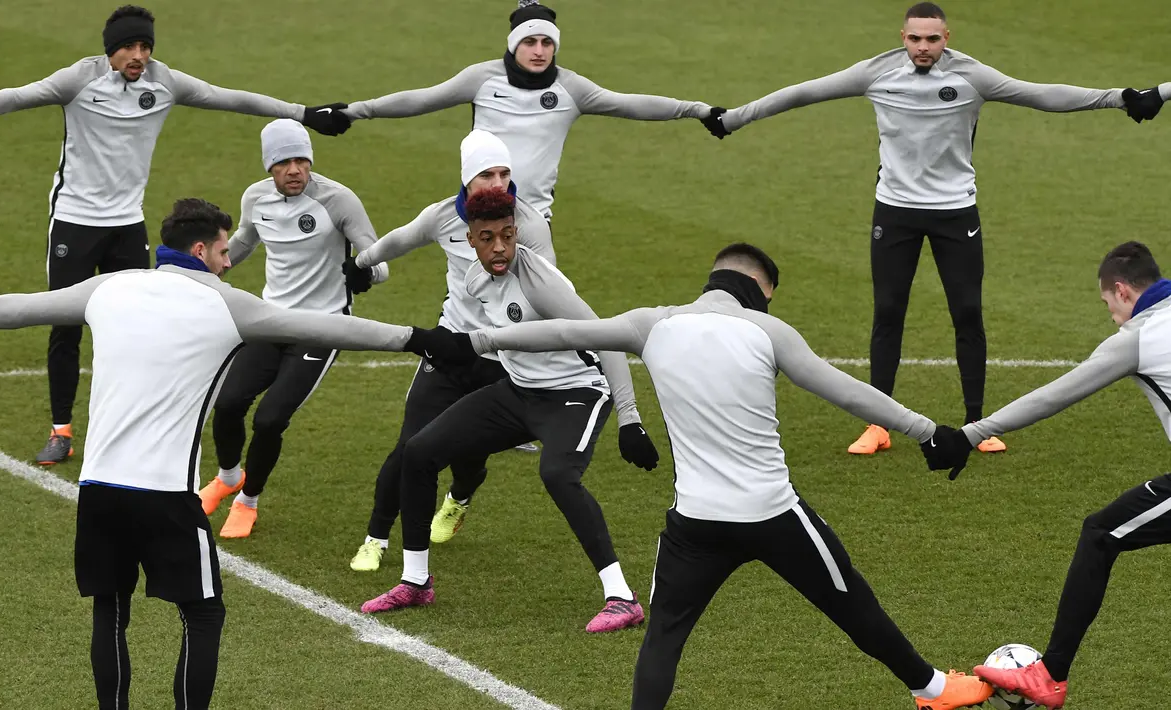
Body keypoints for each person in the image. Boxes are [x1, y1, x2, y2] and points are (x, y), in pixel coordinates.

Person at [0, 198, 466, 710]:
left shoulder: (110, 287)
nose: (228, 261)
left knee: (110, 612)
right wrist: (417, 338)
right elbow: (326, 326)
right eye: (221, 251)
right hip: (166, 498)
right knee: (203, 614)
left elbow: (17, 307)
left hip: (98, 489)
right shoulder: (226, 304)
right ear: (198, 250)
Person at [453, 242, 993, 708]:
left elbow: (564, 330)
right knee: (852, 601)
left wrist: (478, 341)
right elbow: (845, 390)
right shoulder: (768, 329)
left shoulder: (651, 324)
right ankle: (931, 689)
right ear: (761, 288)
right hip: (773, 514)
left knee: (663, 636)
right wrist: (928, 432)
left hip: (695, 526)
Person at [709, 1, 1169, 457]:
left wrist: (1116, 96)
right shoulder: (875, 73)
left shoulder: (972, 76)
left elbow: (1040, 95)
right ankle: (879, 423)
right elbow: (802, 92)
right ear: (902, 38)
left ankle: (977, 423)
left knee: (967, 312)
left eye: (932, 39)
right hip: (895, 212)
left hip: (955, 213)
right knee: (888, 312)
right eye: (914, 39)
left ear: (947, 38)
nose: (922, 47)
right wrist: (735, 117)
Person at [0, 5, 351, 467]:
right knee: (65, 323)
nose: (138, 55)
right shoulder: (79, 79)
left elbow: (231, 97)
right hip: (74, 221)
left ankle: (136, 420)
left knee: (140, 321)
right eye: (129, 47)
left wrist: (304, 115)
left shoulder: (165, 82)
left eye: (145, 46)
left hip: (126, 224)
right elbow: (19, 95)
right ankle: (61, 431)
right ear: (110, 49)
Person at [360, 187, 661, 634]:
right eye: (487, 238)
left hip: (574, 393)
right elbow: (498, 341)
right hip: (520, 391)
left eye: (506, 235)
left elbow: (609, 338)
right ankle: (416, 580)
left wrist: (630, 417)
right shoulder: (475, 281)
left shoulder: (540, 281)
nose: (499, 247)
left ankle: (621, 597)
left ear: (516, 232)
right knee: (419, 451)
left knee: (558, 474)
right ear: (469, 239)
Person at [908, 242, 1171, 710]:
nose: (1111, 316)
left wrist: (970, 435)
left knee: (1101, 532)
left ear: (1122, 290)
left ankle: (1049, 676)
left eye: (1108, 305)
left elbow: (1055, 395)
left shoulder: (1140, 337)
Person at [348, 129, 555, 572]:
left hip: (502, 358)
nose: (498, 183)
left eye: (504, 173)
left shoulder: (530, 225)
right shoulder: (443, 217)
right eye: (487, 174)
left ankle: (459, 500)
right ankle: (377, 536)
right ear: (466, 180)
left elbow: (550, 292)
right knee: (410, 447)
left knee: (468, 452)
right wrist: (359, 266)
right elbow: (398, 240)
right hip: (450, 347)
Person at [339, 0, 722, 221]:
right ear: (513, 45)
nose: (539, 51)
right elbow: (421, 99)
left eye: (546, 43)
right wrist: (355, 111)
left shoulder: (571, 89)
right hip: (478, 212)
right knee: (472, 308)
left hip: (535, 218)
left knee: (539, 317)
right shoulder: (481, 79)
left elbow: (631, 104)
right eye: (529, 42)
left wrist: (698, 110)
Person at [197, 119, 388, 539]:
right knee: (227, 402)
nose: (295, 170)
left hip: (322, 328)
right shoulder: (256, 197)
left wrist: (364, 273)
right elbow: (244, 242)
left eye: (302, 160)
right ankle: (229, 478)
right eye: (284, 162)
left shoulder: (338, 200)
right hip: (271, 320)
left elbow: (378, 259)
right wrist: (207, 270)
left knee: (269, 419)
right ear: (270, 166)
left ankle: (248, 502)